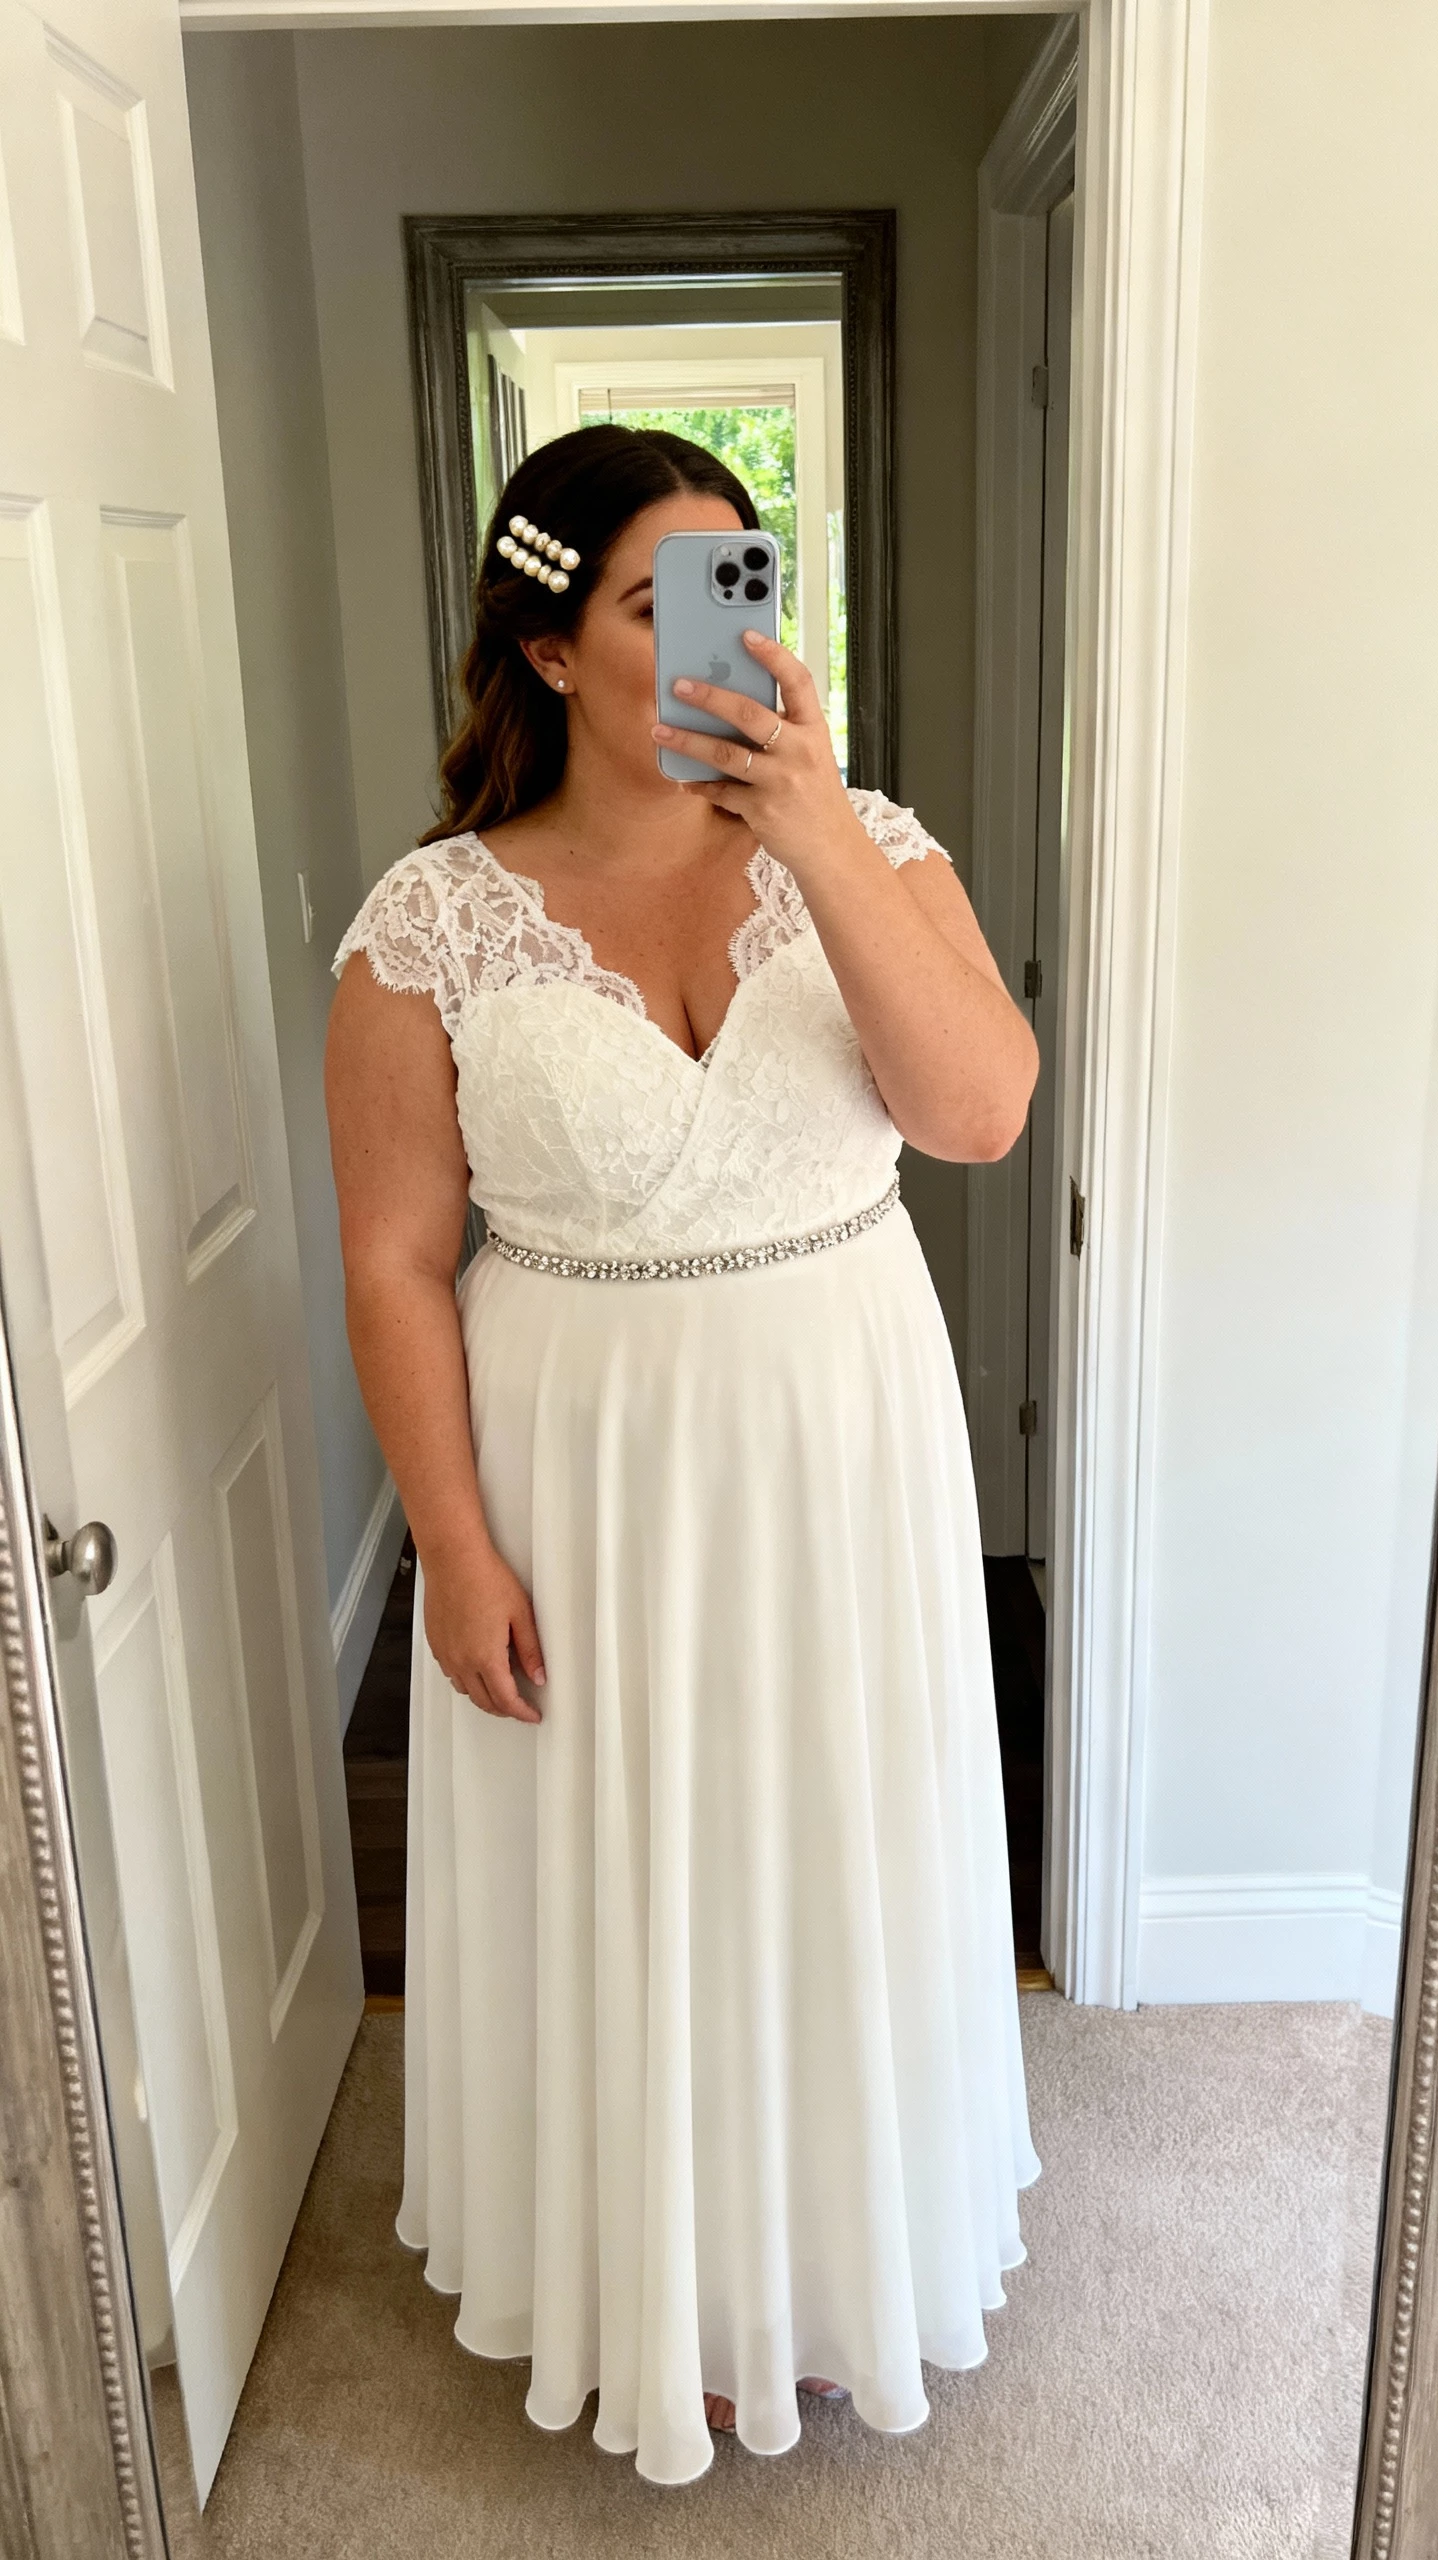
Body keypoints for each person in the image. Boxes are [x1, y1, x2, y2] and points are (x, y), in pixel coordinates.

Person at [325, 424, 1043, 2487]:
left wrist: (811, 829)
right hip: (587, 1471)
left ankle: (824, 2264)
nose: (728, 634)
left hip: (840, 1438)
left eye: (746, 586)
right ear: (551, 647)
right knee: (627, 1862)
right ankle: (656, 2284)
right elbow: (393, 1258)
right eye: (662, 600)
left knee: (834, 1835)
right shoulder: (430, 922)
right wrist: (453, 1546)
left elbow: (979, 1111)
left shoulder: (870, 845)